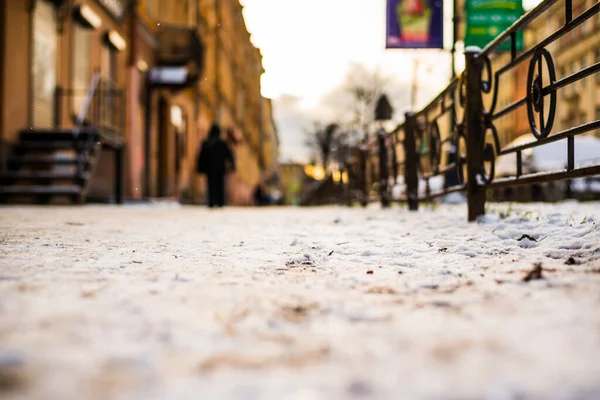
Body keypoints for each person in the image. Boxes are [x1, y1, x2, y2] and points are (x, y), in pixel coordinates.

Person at [196, 123, 235, 207]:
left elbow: (201, 157)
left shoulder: (206, 143)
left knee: (211, 186)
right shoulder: (222, 143)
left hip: (210, 169)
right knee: (220, 186)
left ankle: (211, 202)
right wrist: (232, 166)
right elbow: (230, 155)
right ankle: (220, 202)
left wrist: (200, 168)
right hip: (220, 169)